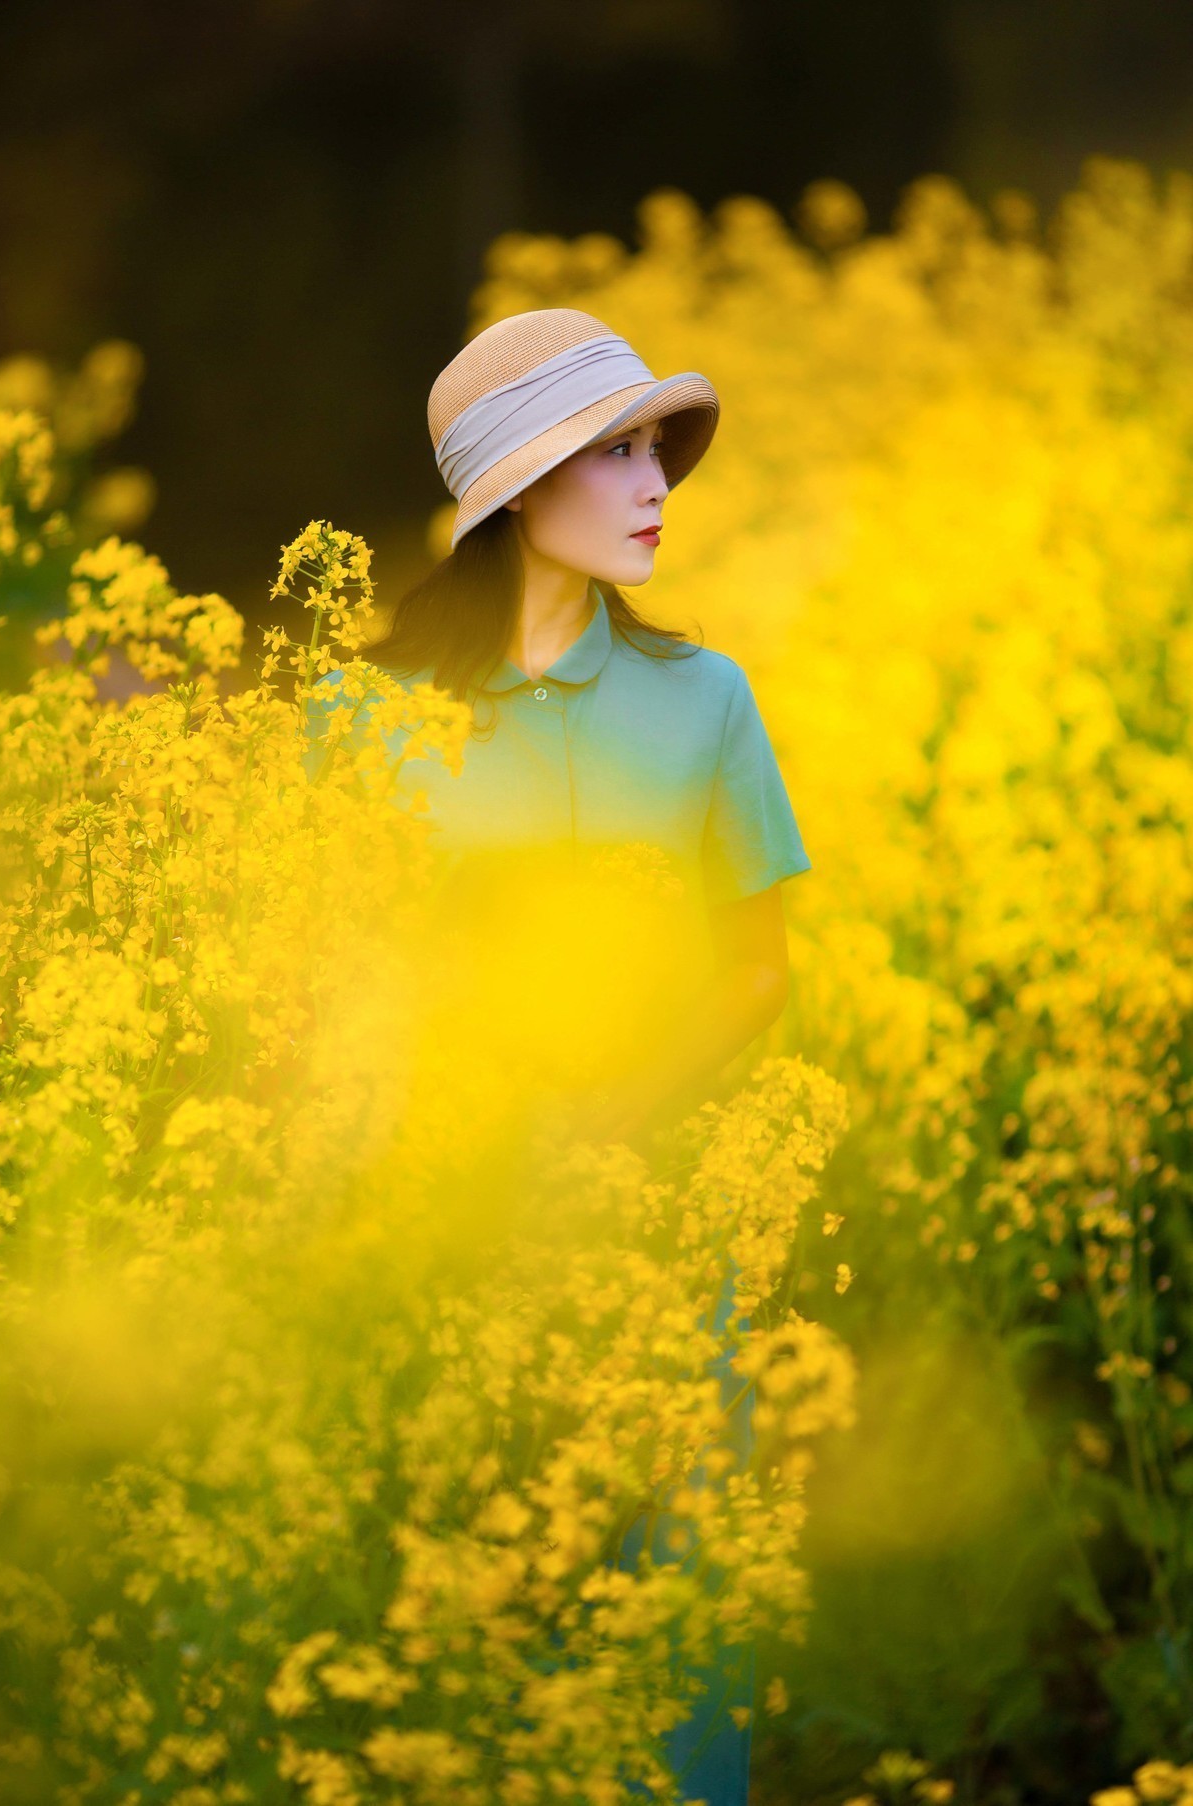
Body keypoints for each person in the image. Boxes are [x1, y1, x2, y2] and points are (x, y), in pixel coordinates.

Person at [307, 306, 812, 1802]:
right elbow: (333, 982)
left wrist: (618, 1117)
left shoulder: (705, 698)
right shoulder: (366, 717)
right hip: (449, 1237)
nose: (656, 481)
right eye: (615, 451)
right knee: (465, 1637)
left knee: (677, 1641)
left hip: (664, 1233)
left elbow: (757, 970)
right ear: (520, 491)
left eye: (658, 446)